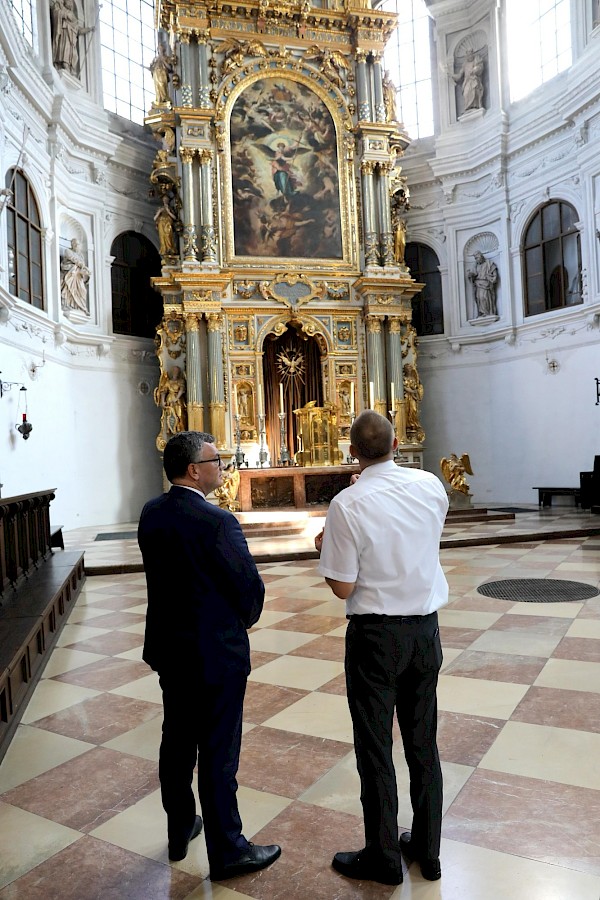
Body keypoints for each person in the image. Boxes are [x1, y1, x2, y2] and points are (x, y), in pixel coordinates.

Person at [138, 431, 281, 878]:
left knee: (177, 743)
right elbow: (247, 586)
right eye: (216, 460)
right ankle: (228, 850)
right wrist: (248, 615)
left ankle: (180, 827)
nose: (222, 466)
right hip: (215, 653)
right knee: (219, 750)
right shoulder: (218, 521)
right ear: (194, 470)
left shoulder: (151, 513)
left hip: (170, 649)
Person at [314, 411, 448, 886]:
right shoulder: (431, 486)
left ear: (353, 451)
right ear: (396, 444)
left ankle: (384, 857)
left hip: (375, 639)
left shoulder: (347, 505)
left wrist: (323, 548)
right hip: (426, 633)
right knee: (422, 743)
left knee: (375, 748)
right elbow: (417, 533)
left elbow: (343, 587)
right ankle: (428, 853)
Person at [50, 0, 93, 75]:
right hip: (64, 34)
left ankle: (70, 67)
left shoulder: (73, 16)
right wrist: (65, 14)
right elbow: (55, 13)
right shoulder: (60, 7)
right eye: (69, 1)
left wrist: (89, 29)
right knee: (64, 50)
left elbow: (78, 30)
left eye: (71, 2)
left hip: (71, 39)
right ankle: (64, 64)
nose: (70, 4)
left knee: (73, 54)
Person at [60, 238, 90, 312]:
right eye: (74, 244)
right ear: (72, 245)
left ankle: (80, 307)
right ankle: (68, 304)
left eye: (77, 244)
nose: (76, 245)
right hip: (71, 272)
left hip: (78, 276)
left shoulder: (81, 255)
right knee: (69, 288)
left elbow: (82, 264)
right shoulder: (68, 251)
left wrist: (86, 271)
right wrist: (81, 265)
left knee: (83, 290)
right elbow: (73, 259)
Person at [467, 250, 498, 316]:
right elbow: (474, 274)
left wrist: (493, 279)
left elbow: (494, 273)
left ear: (481, 256)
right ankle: (482, 312)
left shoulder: (489, 263)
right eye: (475, 258)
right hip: (478, 284)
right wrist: (470, 275)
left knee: (484, 297)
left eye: (477, 258)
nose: (476, 260)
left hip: (486, 284)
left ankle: (487, 312)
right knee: (479, 298)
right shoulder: (476, 265)